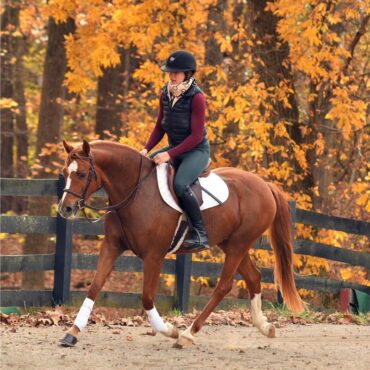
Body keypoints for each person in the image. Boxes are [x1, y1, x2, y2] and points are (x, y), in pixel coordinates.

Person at [139, 50, 210, 251]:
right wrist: (146, 149)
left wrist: (169, 154)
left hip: (196, 150)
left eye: (176, 72)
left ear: (187, 73)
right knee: (145, 166)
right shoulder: (165, 93)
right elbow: (160, 126)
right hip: (175, 147)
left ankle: (200, 233)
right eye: (170, 72)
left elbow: (196, 136)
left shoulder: (197, 98)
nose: (171, 75)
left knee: (180, 184)